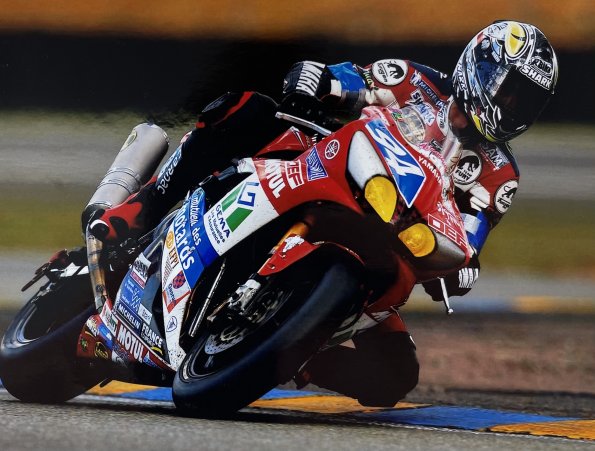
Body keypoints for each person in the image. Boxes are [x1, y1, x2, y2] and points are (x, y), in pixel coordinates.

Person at [86, 20, 558, 406]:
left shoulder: (500, 175)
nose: (513, 107)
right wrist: (316, 80)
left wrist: (462, 267)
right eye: (510, 90)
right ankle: (137, 210)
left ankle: (288, 349)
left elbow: (471, 237)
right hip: (326, 169)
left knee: (396, 374)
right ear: (481, 67)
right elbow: (343, 79)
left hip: (389, 240)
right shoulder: (413, 79)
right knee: (246, 110)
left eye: (527, 101)